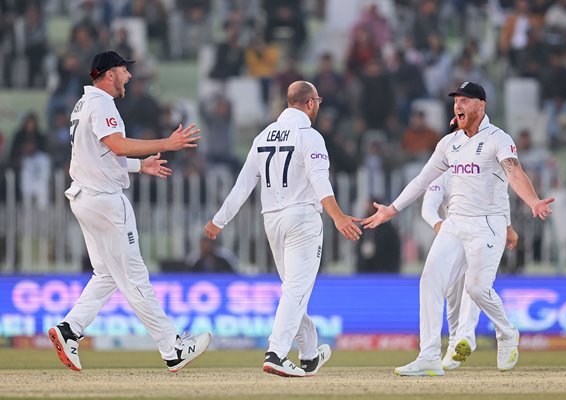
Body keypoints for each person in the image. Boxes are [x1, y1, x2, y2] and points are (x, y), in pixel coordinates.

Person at [363, 81, 554, 376]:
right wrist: (392, 208)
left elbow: (515, 171)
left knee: (477, 289)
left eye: (465, 100)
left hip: (488, 225)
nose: (458, 106)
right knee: (429, 282)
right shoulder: (449, 143)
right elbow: (421, 181)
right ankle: (428, 355)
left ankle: (506, 332)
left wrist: (533, 201)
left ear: (481, 104)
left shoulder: (497, 138)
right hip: (454, 224)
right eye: (456, 101)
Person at [48, 51, 211, 373]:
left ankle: (70, 329)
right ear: (110, 74)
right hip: (106, 201)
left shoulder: (83, 104)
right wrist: (167, 142)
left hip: (84, 197)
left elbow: (98, 154)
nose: (129, 76)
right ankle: (172, 348)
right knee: (135, 276)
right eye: (124, 70)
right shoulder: (101, 104)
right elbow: (117, 145)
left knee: (107, 274)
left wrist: (139, 166)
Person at [204, 81, 362, 377]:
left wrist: (219, 220)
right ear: (311, 103)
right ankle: (276, 352)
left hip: (271, 220)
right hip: (302, 217)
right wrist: (338, 217)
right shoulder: (309, 136)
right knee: (296, 290)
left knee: (293, 290)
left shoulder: (262, 136)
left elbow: (242, 185)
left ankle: (309, 354)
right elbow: (320, 180)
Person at [422, 168, 519, 371]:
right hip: (453, 236)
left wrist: (508, 227)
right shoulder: (444, 173)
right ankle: (454, 343)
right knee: (453, 294)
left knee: (473, 286)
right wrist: (438, 224)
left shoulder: (484, 169)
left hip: (483, 235)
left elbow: (500, 197)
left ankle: (465, 337)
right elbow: (428, 204)